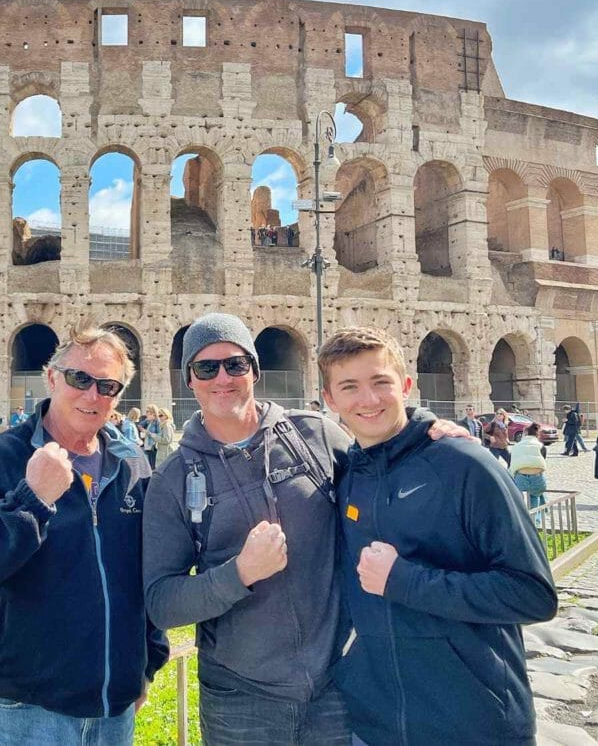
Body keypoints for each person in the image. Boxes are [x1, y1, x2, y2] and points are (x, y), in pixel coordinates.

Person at [142, 313, 473, 745]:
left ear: (255, 371)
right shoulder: (173, 478)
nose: (222, 377)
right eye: (206, 367)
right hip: (240, 698)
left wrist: (423, 425)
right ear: (189, 379)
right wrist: (238, 573)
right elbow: (161, 603)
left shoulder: (314, 435)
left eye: (235, 364)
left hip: (336, 682)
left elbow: (381, 462)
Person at [318, 326, 557, 745]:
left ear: (406, 386)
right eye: (350, 386)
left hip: (473, 724)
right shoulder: (347, 475)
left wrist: (403, 580)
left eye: (380, 382)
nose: (368, 399)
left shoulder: (464, 465)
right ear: (330, 400)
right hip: (376, 726)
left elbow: (533, 594)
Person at [0, 327, 169, 742]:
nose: (92, 395)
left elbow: (145, 571)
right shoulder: (3, 457)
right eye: (79, 379)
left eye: (108, 385)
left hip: (112, 706)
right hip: (28, 706)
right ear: (52, 377)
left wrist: (147, 662)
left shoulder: (132, 465)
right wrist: (31, 499)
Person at [511, 422, 549, 522]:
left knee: (519, 501)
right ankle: (536, 520)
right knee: (536, 496)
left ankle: (523, 520)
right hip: (537, 476)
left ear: (525, 433)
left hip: (521, 476)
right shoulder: (541, 446)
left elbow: (512, 464)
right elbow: (543, 461)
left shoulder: (516, 446)